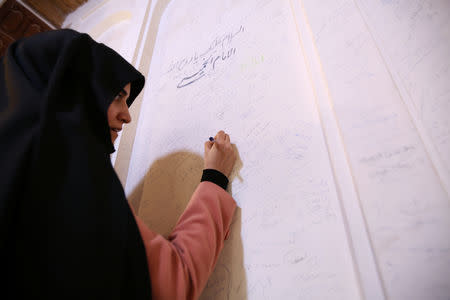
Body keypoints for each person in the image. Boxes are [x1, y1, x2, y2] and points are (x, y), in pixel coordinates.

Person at [0, 29, 237, 300]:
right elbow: (173, 284)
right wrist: (215, 178)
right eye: (116, 96)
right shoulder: (69, 184)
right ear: (75, 92)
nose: (127, 116)